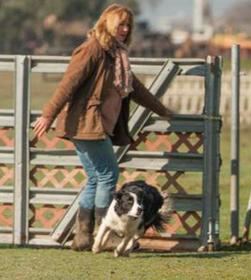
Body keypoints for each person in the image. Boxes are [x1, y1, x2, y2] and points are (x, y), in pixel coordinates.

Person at [33, 4, 172, 251]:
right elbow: (68, 84)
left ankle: (84, 237)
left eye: (128, 25)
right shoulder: (92, 50)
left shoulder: (116, 55)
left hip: (98, 125)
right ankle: (105, 233)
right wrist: (48, 115)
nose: (125, 29)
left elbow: (135, 89)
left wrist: (163, 111)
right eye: (120, 24)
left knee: (96, 179)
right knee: (108, 175)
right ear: (107, 24)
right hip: (87, 124)